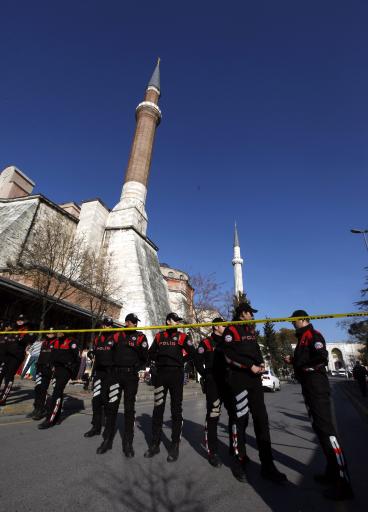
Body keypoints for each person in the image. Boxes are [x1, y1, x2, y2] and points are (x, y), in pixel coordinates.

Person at [284, 310, 353, 501]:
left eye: (295, 321)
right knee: (320, 431)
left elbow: (321, 357)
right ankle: (331, 472)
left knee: (328, 433)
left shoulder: (313, 335)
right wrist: (294, 361)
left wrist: (299, 362)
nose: (292, 324)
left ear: (304, 320)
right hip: (309, 387)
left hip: (317, 387)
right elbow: (306, 359)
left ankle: (343, 482)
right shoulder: (302, 338)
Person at [222, 304, 287, 483]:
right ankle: (239, 461)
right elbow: (228, 355)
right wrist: (248, 365)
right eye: (250, 313)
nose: (252, 316)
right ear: (242, 314)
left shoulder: (250, 331)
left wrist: (260, 363)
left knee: (261, 420)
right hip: (239, 380)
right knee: (240, 420)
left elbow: (256, 351)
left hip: (255, 381)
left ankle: (268, 465)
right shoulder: (231, 330)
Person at [144, 312, 197, 462]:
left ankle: (174, 445)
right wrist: (158, 360)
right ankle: (155, 444)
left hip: (176, 375)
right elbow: (151, 353)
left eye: (179, 321)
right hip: (161, 376)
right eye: (176, 321)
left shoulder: (182, 337)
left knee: (176, 410)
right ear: (168, 321)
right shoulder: (159, 336)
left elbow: (192, 353)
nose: (178, 323)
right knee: (158, 408)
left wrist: (181, 360)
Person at [96, 313, 148, 456]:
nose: (134, 324)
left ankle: (128, 443)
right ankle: (107, 440)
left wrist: (136, 368)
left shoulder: (140, 337)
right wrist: (111, 368)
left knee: (129, 409)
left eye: (135, 322)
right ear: (126, 322)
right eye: (132, 322)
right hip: (116, 375)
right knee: (111, 407)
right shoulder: (117, 335)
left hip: (131, 376)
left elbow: (145, 357)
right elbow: (108, 351)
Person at [196, 317, 235, 468]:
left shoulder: (229, 341)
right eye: (223, 324)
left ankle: (234, 446)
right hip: (213, 383)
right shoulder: (206, 343)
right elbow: (197, 360)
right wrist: (205, 374)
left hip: (229, 382)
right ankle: (213, 452)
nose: (226, 326)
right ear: (216, 326)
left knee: (234, 414)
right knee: (213, 415)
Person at [38, 327, 80, 429]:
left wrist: (74, 374)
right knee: (58, 393)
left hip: (66, 370)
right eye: (58, 331)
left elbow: (77, 359)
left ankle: (50, 419)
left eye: (60, 331)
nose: (58, 333)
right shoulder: (55, 342)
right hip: (56, 369)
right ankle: (56, 417)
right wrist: (51, 365)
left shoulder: (71, 342)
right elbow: (52, 356)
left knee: (56, 392)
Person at [83, 318, 115, 441]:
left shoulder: (115, 338)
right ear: (102, 326)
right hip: (99, 373)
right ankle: (95, 427)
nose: (108, 327)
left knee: (106, 400)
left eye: (110, 325)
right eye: (106, 325)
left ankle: (108, 426)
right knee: (96, 400)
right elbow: (95, 352)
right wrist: (91, 353)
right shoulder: (98, 338)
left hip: (110, 374)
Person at [0, 314, 35, 406]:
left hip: (16, 356)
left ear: (25, 321)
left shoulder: (27, 329)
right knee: (1, 374)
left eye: (22, 320)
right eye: (18, 319)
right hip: (6, 355)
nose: (19, 321)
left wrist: (21, 337)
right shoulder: (13, 328)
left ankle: (3, 398)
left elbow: (31, 338)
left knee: (9, 376)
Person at [27, 328, 56, 420]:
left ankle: (41, 410)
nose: (49, 334)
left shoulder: (56, 342)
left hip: (48, 369)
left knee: (43, 389)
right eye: (48, 333)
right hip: (40, 368)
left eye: (51, 333)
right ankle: (36, 408)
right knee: (37, 388)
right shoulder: (44, 343)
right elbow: (41, 354)